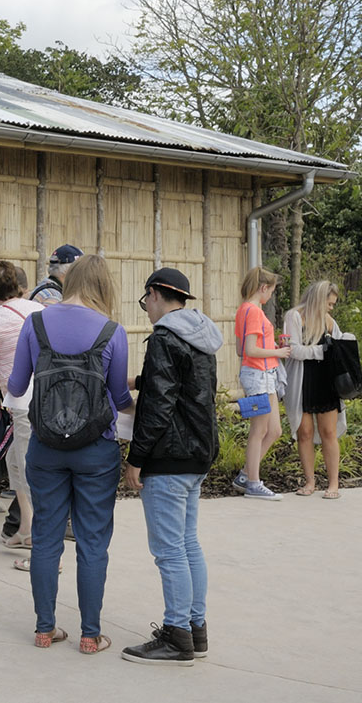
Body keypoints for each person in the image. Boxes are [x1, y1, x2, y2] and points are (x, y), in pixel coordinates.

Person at [8, 254, 133, 655]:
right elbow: (118, 397)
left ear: (69, 280)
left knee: (45, 536)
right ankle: (90, 635)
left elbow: (15, 384)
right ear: (104, 287)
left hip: (45, 446)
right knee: (92, 542)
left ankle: (44, 629)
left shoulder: (36, 322)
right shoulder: (113, 331)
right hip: (97, 449)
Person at [121, 268, 221, 666]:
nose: (146, 309)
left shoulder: (164, 336)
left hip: (168, 456)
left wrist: (136, 459)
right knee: (188, 544)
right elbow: (183, 385)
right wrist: (139, 380)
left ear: (153, 295)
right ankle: (195, 630)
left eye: (146, 301)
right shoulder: (200, 334)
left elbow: (159, 405)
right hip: (197, 452)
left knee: (169, 552)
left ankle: (176, 635)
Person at [0, 261, 44, 565]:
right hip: (46, 399)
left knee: (30, 470)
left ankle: (42, 548)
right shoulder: (38, 311)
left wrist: (0, 375)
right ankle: (27, 530)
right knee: (16, 462)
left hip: (23, 402)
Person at [283, 281, 348, 499]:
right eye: (329, 304)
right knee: (305, 433)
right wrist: (322, 350)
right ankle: (310, 482)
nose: (331, 308)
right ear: (319, 299)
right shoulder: (294, 316)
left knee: (329, 432)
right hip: (302, 381)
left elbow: (339, 349)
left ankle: (333, 484)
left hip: (325, 382)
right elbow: (293, 350)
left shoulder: (328, 321)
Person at [233, 266, 291, 500]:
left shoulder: (243, 310)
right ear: (263, 288)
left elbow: (240, 349)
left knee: (274, 430)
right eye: (271, 292)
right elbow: (250, 349)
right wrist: (278, 352)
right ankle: (253, 483)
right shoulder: (255, 312)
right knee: (259, 430)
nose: (270, 297)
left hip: (260, 374)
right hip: (259, 375)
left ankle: (247, 475)